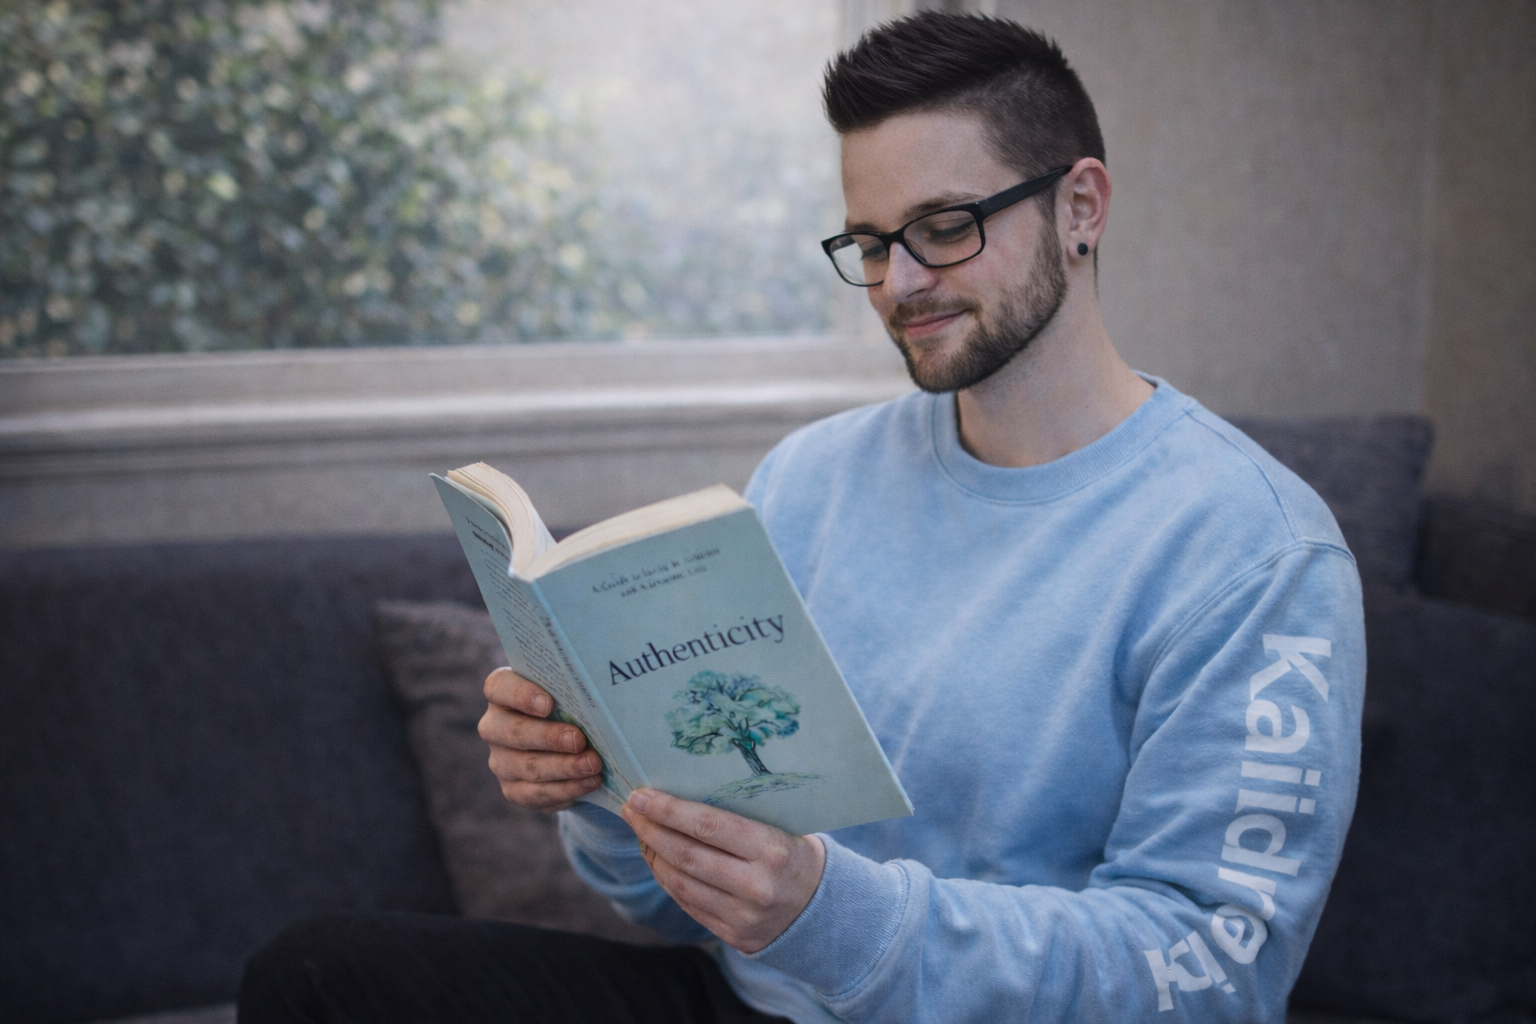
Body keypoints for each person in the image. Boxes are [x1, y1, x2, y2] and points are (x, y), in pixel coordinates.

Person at [240, 13, 1362, 1024]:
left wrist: (831, 915)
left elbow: (1212, 979)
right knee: (320, 973)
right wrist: (598, 783)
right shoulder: (812, 478)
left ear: (1081, 207)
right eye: (869, 242)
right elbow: (661, 906)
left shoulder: (1253, 550)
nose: (898, 284)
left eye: (944, 226)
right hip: (751, 998)